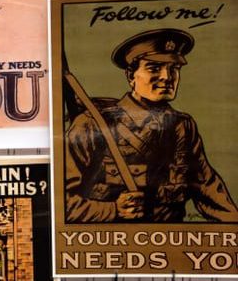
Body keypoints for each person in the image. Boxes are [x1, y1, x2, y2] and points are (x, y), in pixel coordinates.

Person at [65, 29, 238, 222]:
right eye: (154, 68)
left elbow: (208, 189)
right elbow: (61, 205)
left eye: (174, 69)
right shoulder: (91, 124)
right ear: (131, 76)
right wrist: (112, 210)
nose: (167, 77)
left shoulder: (182, 126)